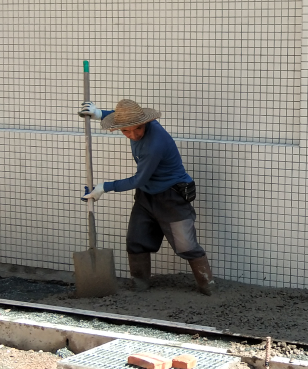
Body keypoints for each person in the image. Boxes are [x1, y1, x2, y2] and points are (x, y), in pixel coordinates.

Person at [78, 99, 214, 295]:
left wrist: (104, 188)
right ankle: (139, 285)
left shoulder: (154, 145)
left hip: (171, 196)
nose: (133, 135)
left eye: (138, 129)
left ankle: (207, 284)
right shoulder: (136, 124)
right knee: (136, 239)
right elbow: (124, 119)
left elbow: (138, 179)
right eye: (126, 131)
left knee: (186, 245)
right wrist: (99, 113)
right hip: (147, 195)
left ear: (146, 122)